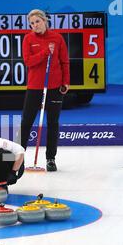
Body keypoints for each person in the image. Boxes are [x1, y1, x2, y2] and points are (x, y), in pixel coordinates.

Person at [19, 9, 70, 171]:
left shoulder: (57, 38)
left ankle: (50, 159)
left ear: (44, 21)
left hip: (54, 86)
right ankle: (19, 159)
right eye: (32, 23)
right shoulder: (28, 39)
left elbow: (64, 62)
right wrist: (45, 52)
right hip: (35, 87)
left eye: (37, 22)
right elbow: (28, 62)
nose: (35, 25)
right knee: (26, 122)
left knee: (53, 123)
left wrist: (66, 82)